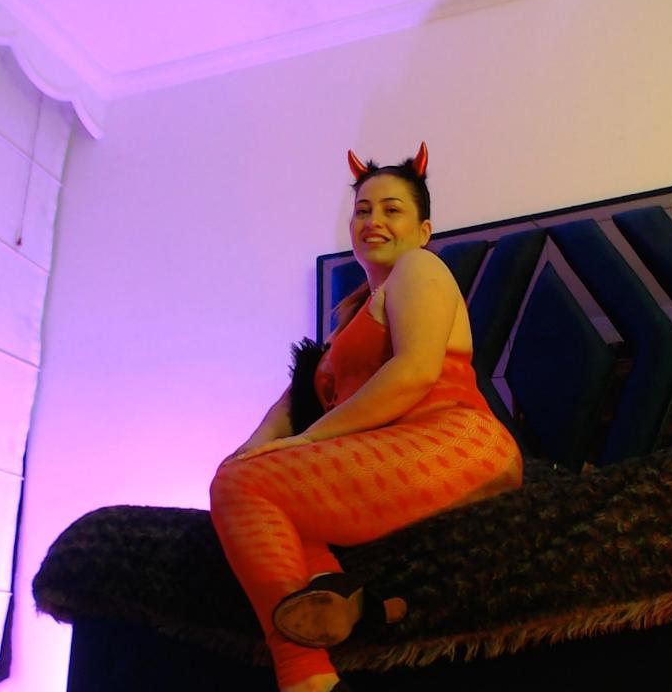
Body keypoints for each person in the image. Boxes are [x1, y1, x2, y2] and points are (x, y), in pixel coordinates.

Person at [210, 143, 523, 692]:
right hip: (395, 451)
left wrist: (305, 443)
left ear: (423, 230)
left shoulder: (420, 268)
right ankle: (339, 593)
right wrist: (254, 451)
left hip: (456, 441)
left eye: (391, 209)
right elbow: (288, 405)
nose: (372, 220)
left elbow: (415, 372)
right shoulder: (349, 318)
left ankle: (305, 677)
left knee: (244, 484)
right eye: (362, 210)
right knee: (248, 481)